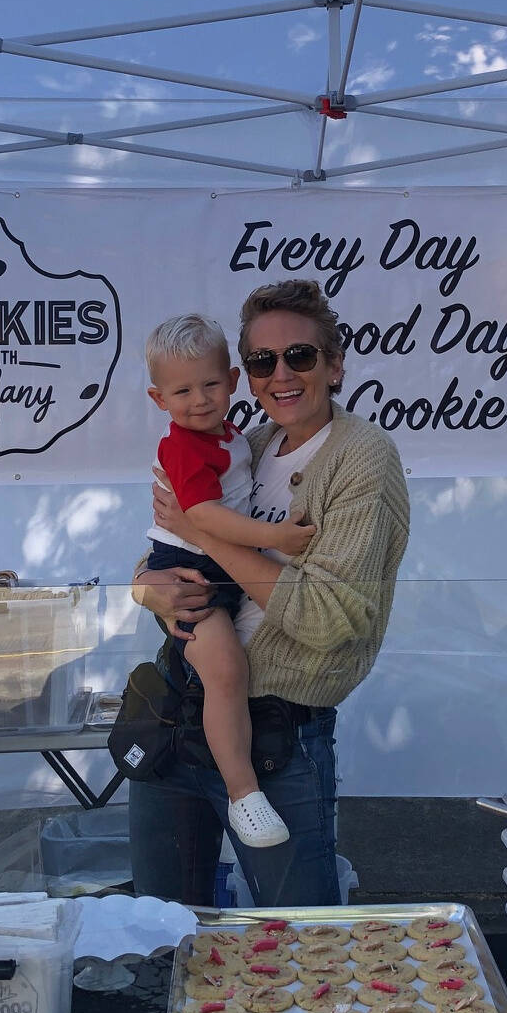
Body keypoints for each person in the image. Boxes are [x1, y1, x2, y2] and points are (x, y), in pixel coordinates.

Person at [130, 279, 410, 907]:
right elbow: (160, 549)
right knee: (166, 937)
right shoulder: (245, 445)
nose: (280, 373)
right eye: (264, 361)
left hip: (281, 742)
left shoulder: (364, 457)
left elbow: (331, 617)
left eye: (300, 356)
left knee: (301, 938)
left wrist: (200, 528)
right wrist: (147, 590)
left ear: (334, 366)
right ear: (247, 376)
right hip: (179, 715)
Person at [142, 313, 317, 849]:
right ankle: (244, 795)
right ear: (159, 399)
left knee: (227, 673)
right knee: (225, 671)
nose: (199, 399)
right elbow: (205, 517)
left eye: (211, 384)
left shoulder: (236, 436)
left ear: (234, 381)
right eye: (182, 390)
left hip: (219, 572)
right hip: (197, 576)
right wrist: (278, 537)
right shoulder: (183, 447)